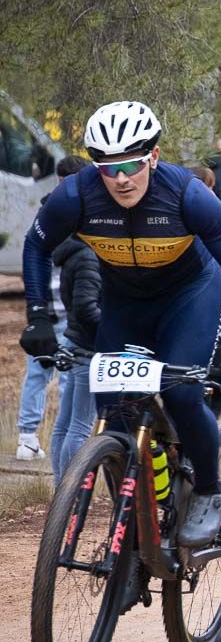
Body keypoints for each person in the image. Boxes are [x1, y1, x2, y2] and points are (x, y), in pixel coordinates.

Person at [22, 101, 221, 545]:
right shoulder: (75, 196)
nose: (121, 178)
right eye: (108, 168)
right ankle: (136, 527)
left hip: (188, 298)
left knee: (183, 395)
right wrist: (38, 315)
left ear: (153, 156)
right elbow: (35, 247)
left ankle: (208, 488)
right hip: (125, 304)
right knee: (114, 414)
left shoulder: (188, 195)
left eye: (132, 164)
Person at [39, 156, 98, 480]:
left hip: (75, 340)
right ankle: (70, 490)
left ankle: (63, 487)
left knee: (66, 421)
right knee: (80, 424)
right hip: (87, 347)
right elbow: (89, 308)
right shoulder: (88, 257)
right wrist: (112, 327)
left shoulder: (70, 251)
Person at [14, 158, 77, 460]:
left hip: (46, 308)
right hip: (65, 311)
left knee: (38, 375)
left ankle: (27, 438)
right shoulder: (77, 214)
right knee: (65, 379)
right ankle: (57, 439)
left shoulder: (45, 213)